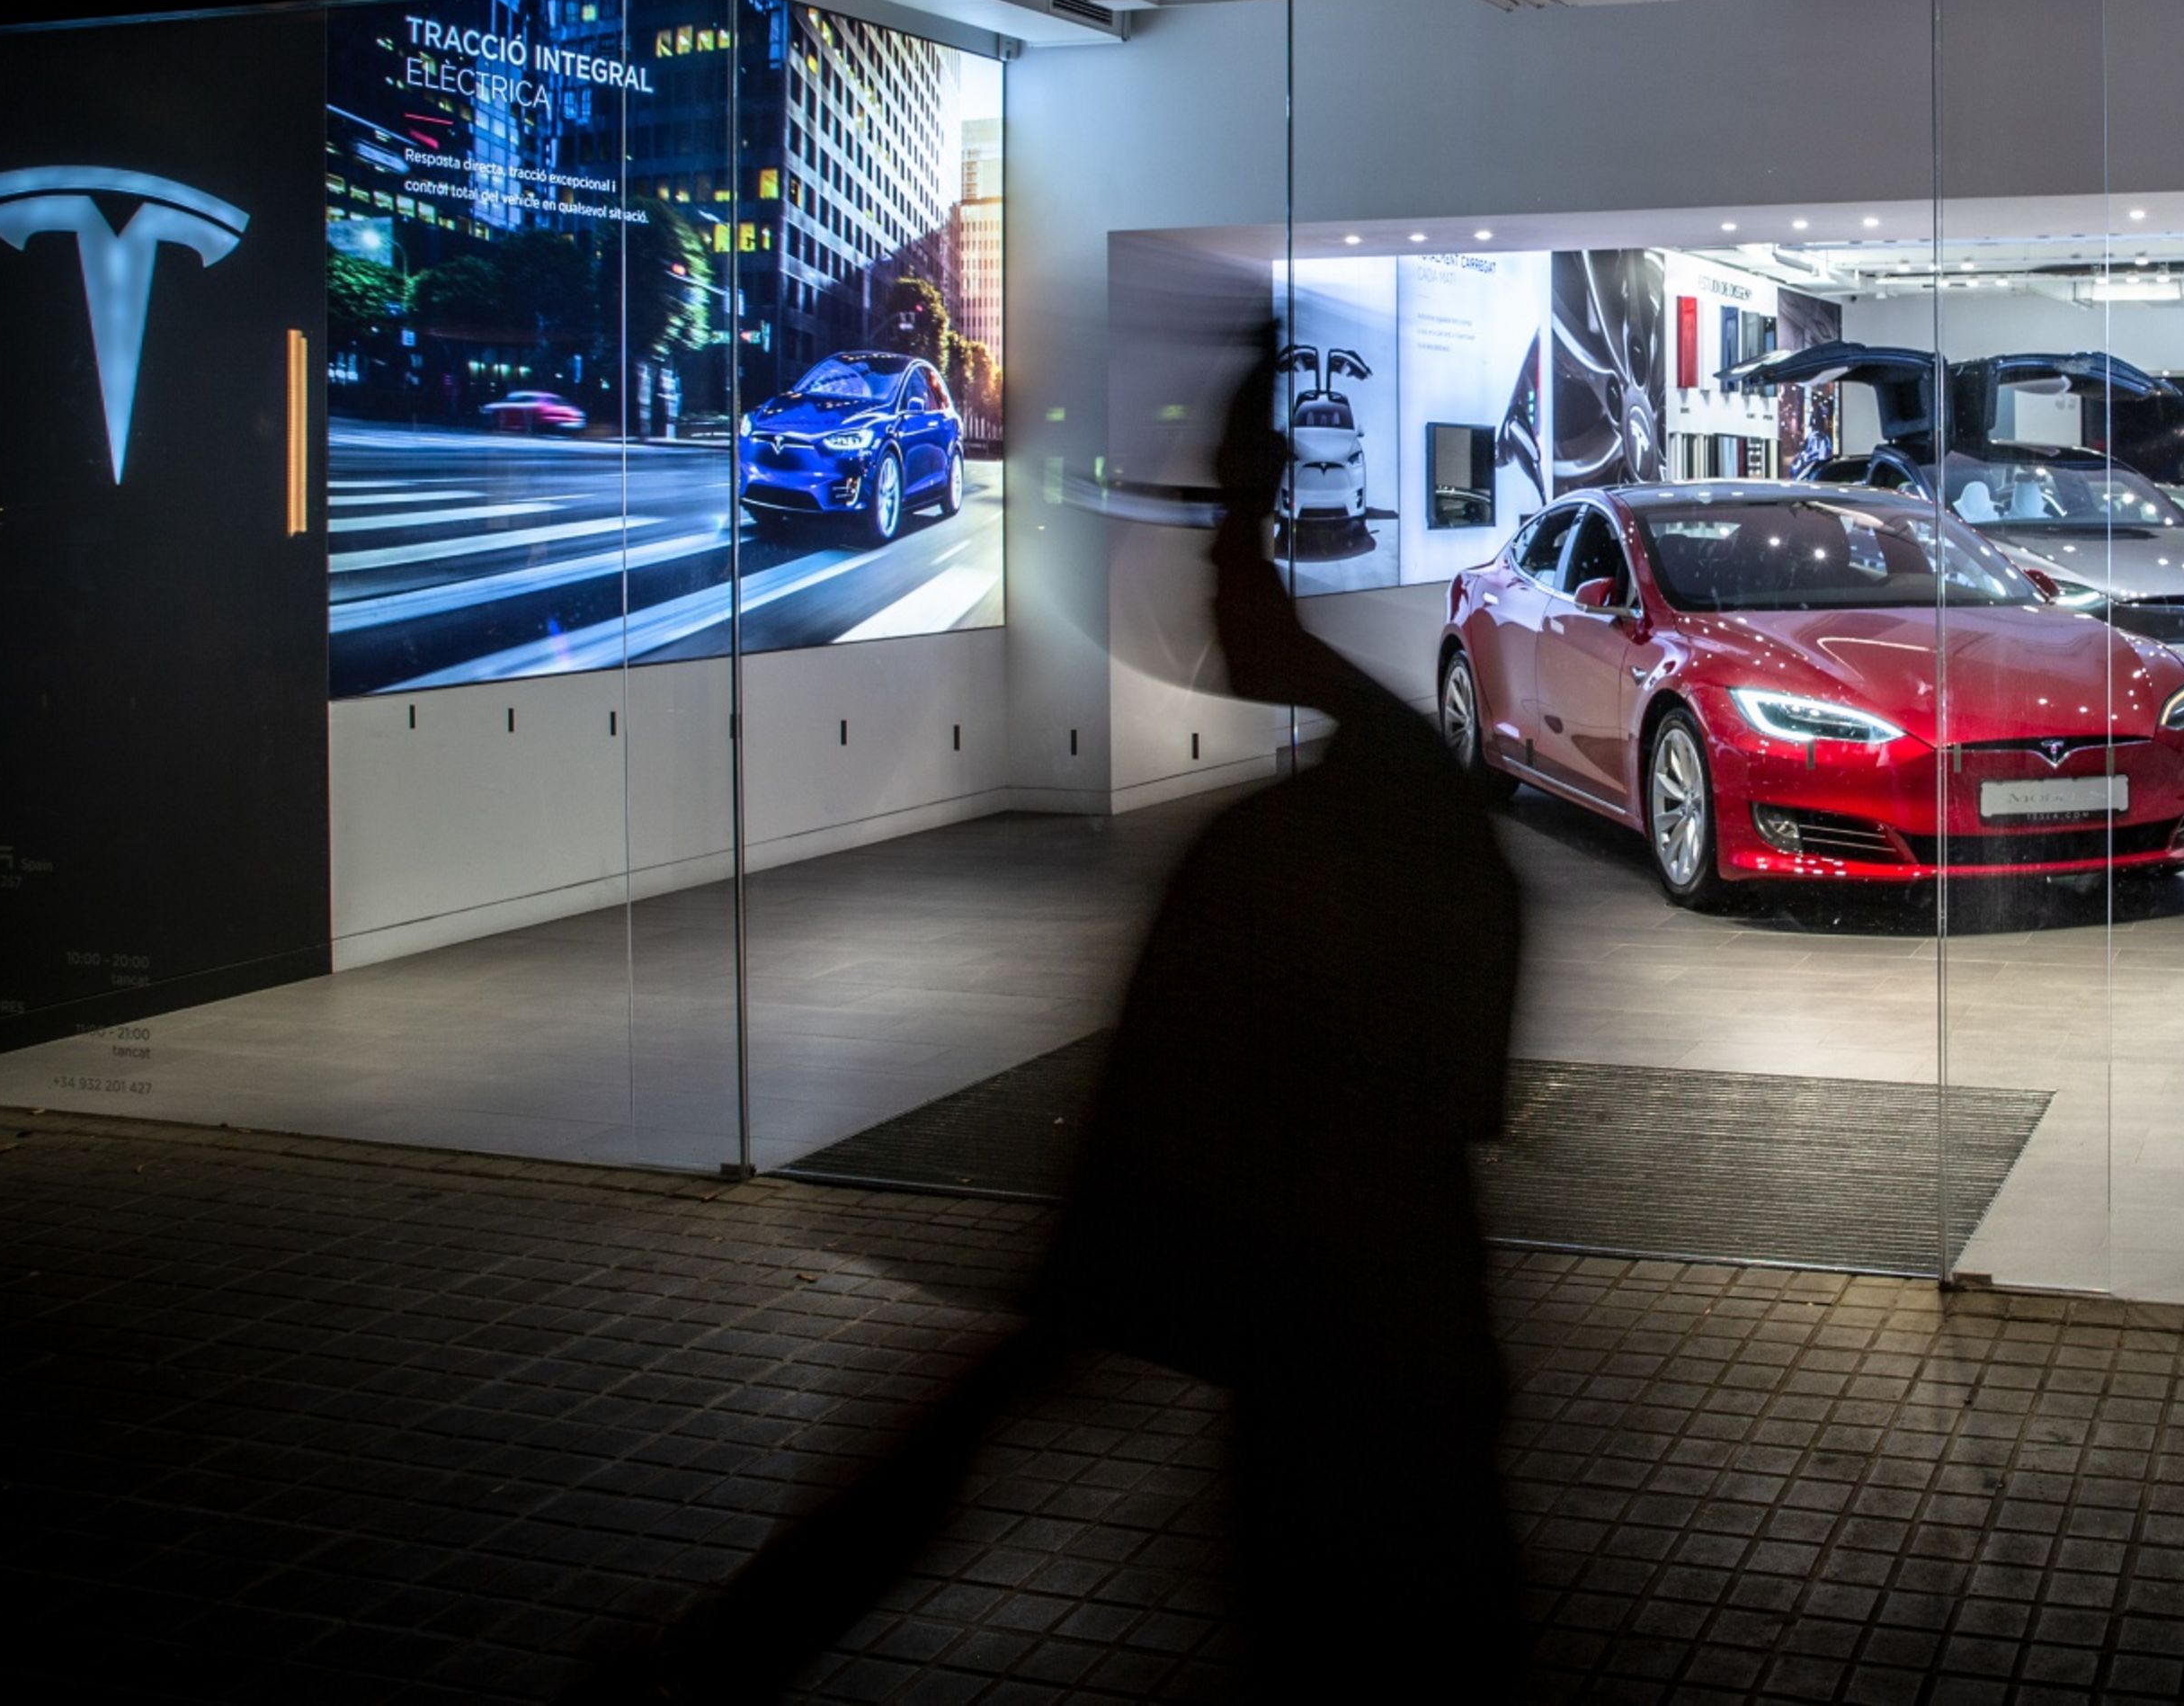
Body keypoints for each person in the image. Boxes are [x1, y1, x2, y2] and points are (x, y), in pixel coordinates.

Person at [581, 339, 1527, 1700]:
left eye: (1211, 517)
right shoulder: (1420, 832)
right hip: (1433, 1418)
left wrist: (732, 1655)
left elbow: (1003, 1392)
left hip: (1329, 1484)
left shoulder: (1262, 878)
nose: (1197, 563)